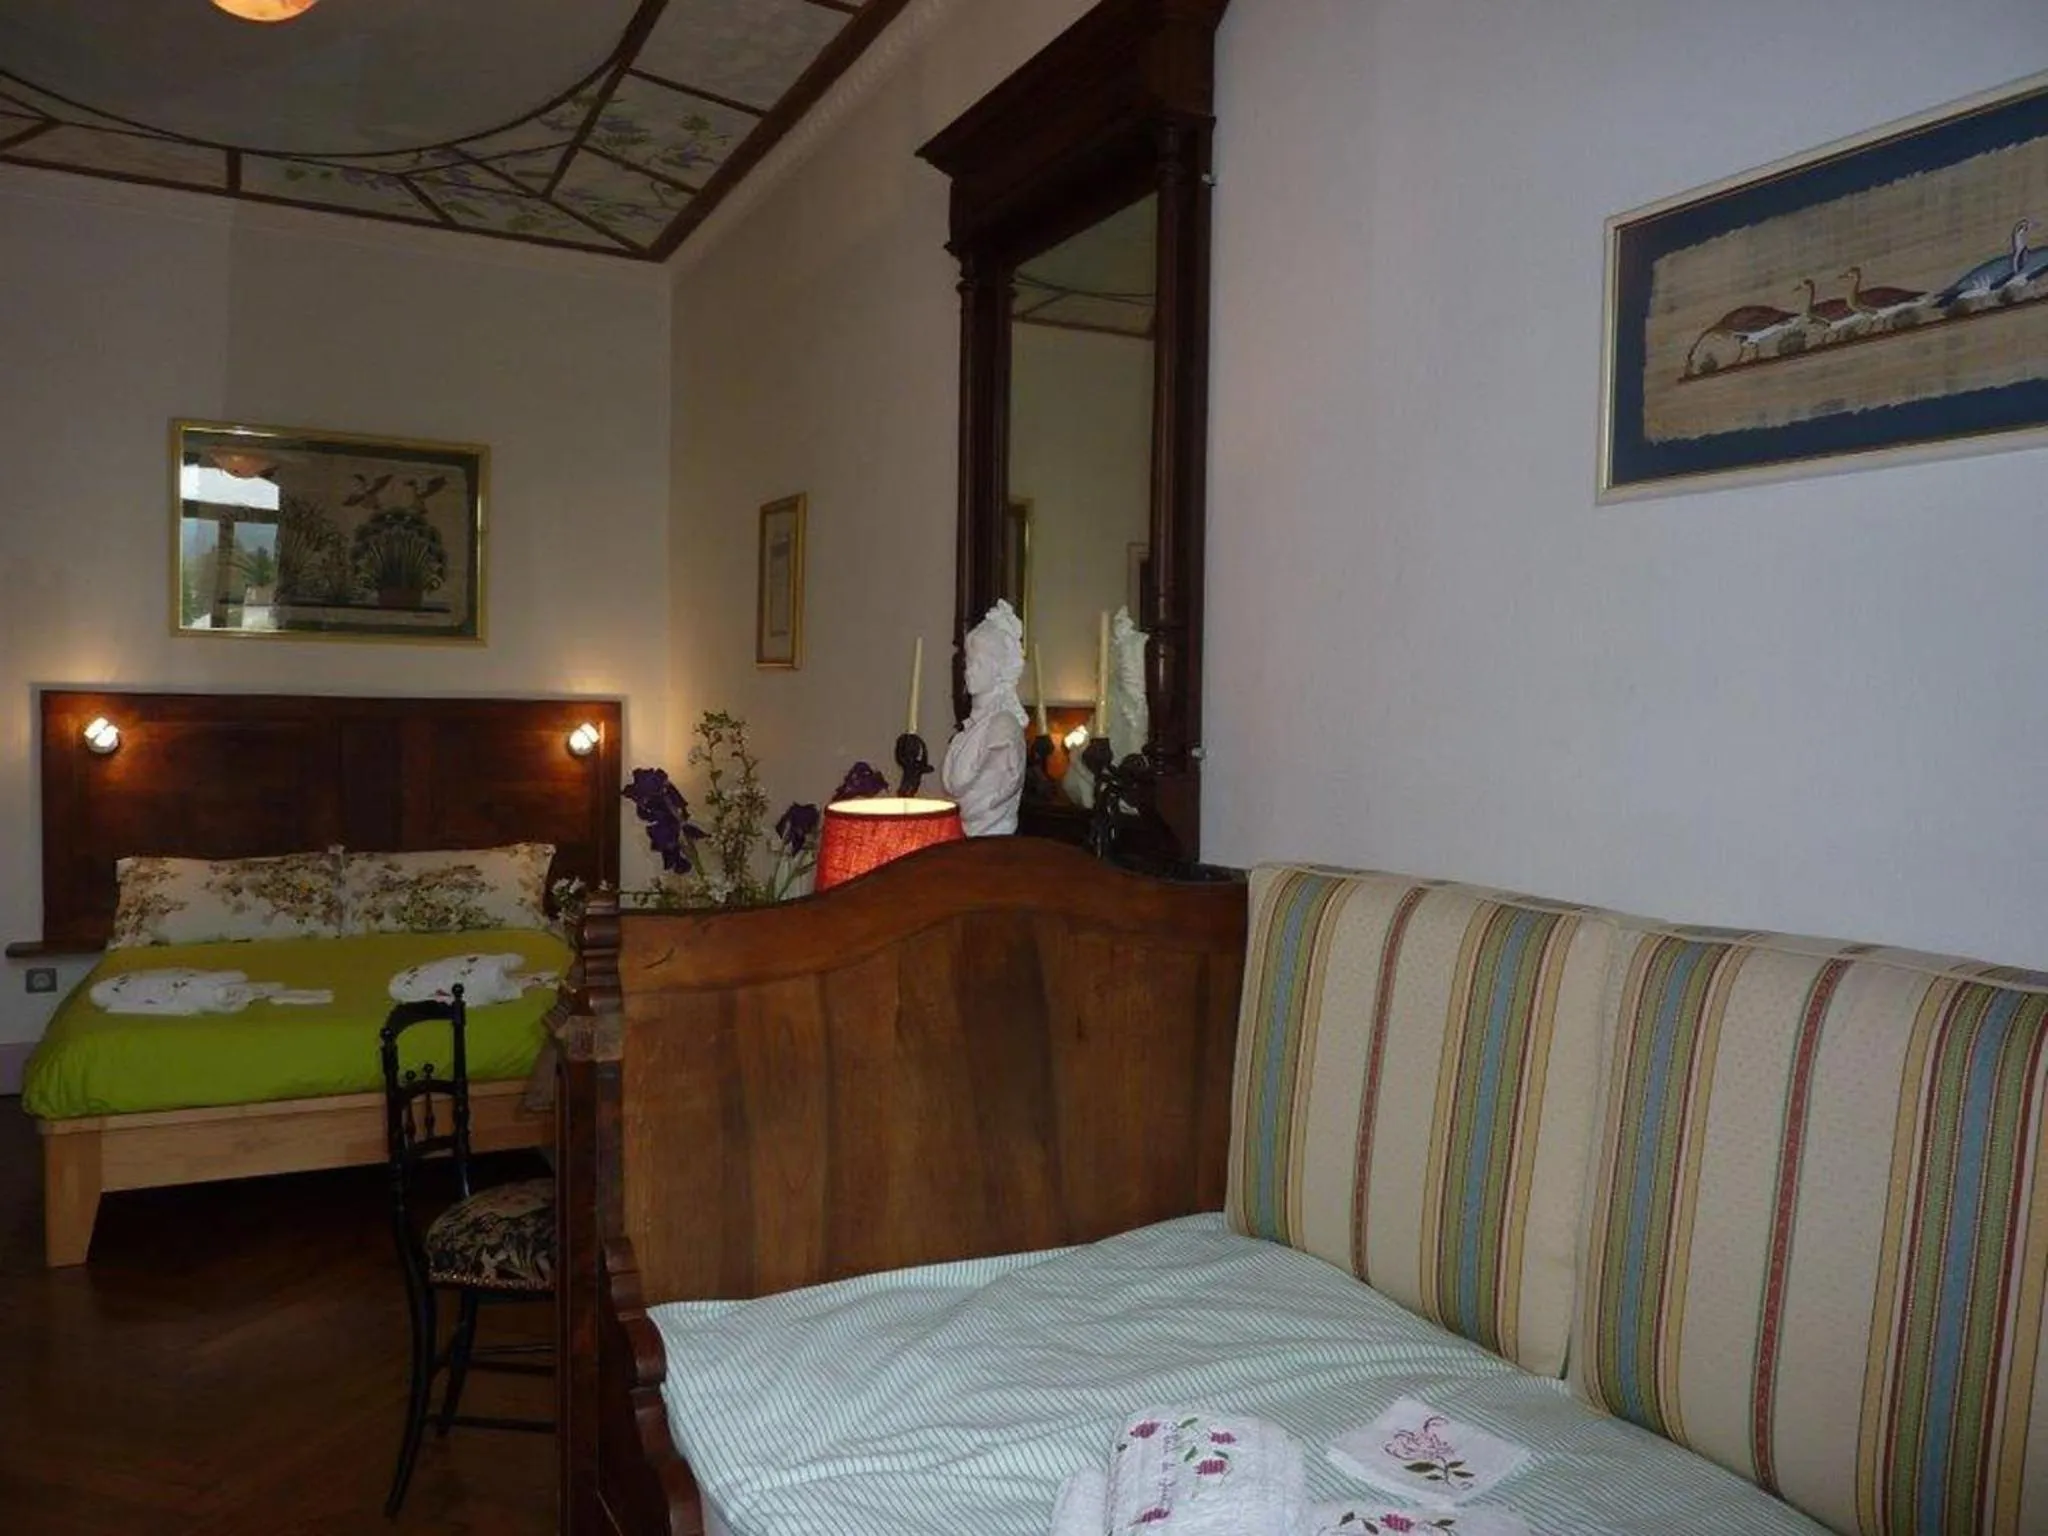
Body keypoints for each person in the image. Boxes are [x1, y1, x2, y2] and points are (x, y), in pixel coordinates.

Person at [942, 600, 1029, 836]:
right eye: (968, 663)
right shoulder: (969, 730)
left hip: (991, 844)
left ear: (998, 669)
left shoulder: (1002, 730)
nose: (969, 672)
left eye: (978, 664)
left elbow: (983, 803)